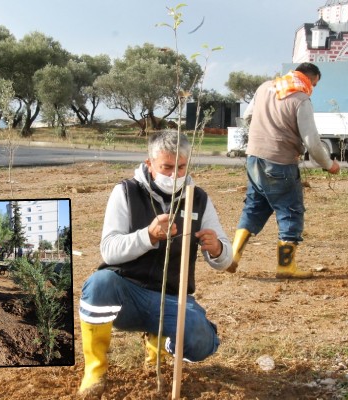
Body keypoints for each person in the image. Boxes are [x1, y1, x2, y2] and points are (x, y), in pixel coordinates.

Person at [77, 130, 232, 396]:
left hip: (171, 297)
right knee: (99, 284)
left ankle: (158, 346)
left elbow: (224, 259)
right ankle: (95, 369)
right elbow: (109, 251)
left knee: (201, 342)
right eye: (167, 167)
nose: (174, 175)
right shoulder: (125, 192)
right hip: (127, 294)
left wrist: (217, 249)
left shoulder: (199, 199)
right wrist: (147, 236)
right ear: (149, 164)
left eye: (181, 167)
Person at [229, 62, 340, 279]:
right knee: (290, 210)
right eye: (314, 84)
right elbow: (313, 142)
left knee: (254, 206)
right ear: (309, 78)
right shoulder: (300, 100)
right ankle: (286, 266)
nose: (313, 88)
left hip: (254, 159)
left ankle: (233, 256)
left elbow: (249, 117)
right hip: (280, 163)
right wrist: (329, 164)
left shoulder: (265, 88)